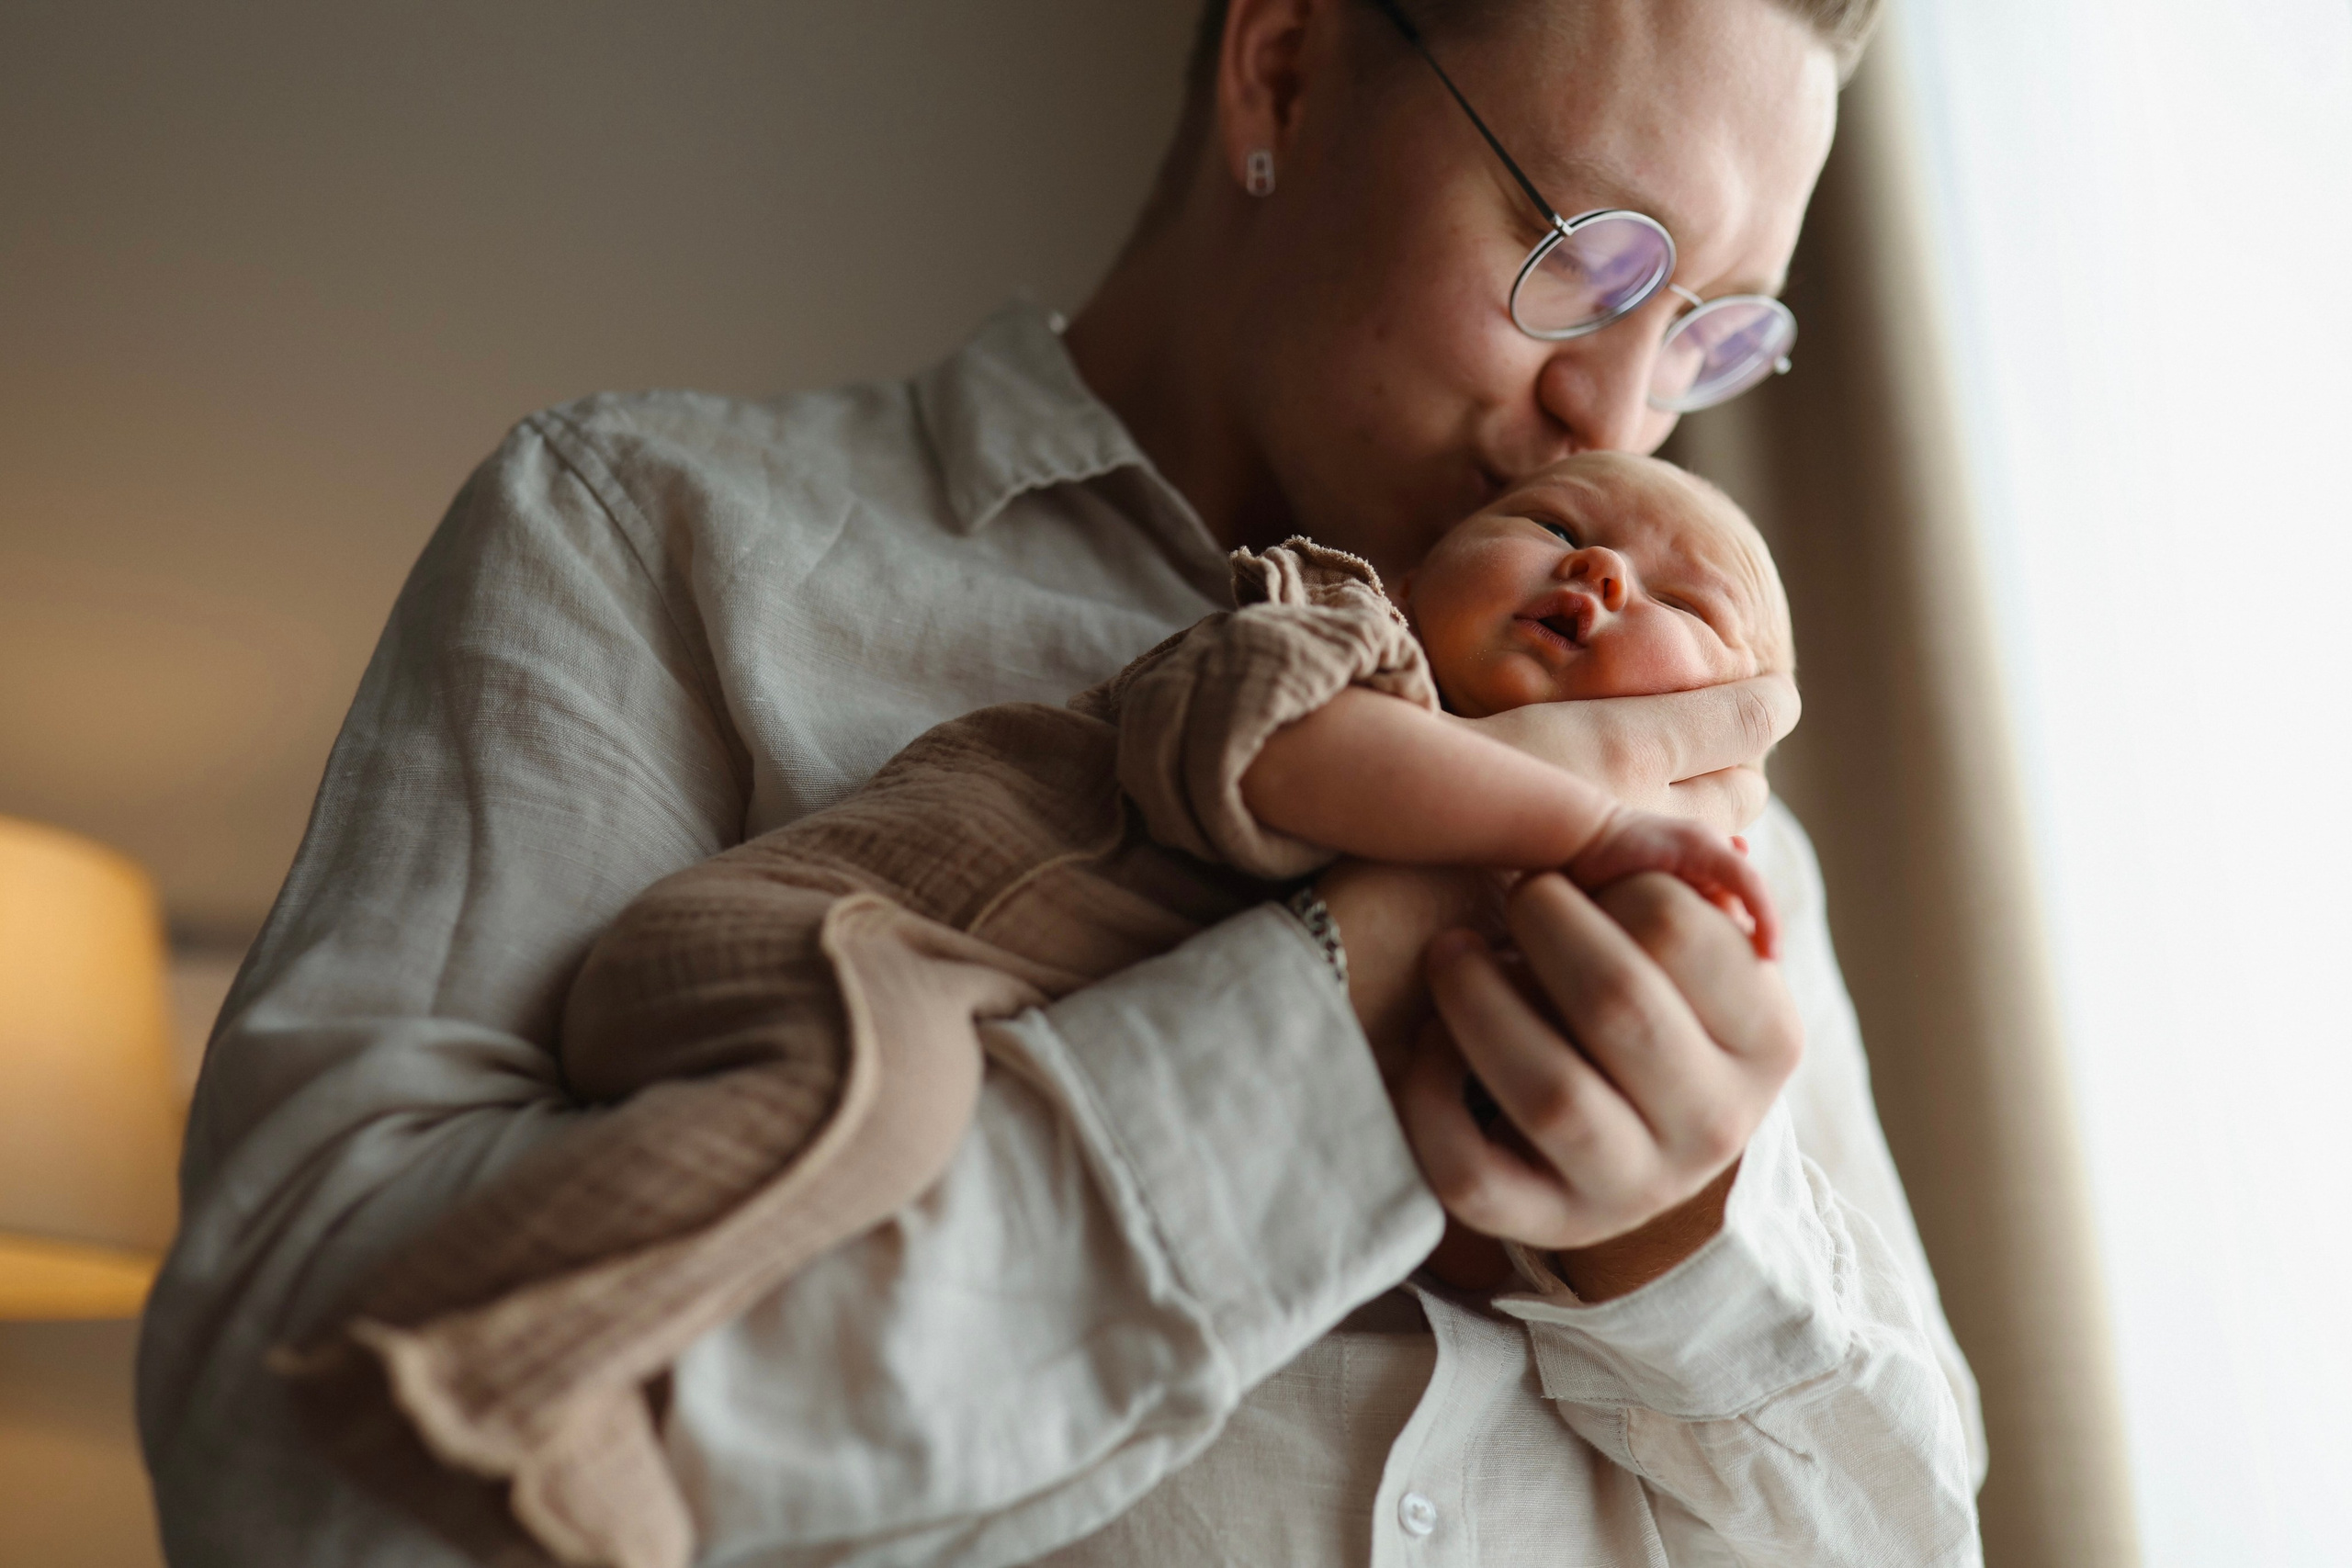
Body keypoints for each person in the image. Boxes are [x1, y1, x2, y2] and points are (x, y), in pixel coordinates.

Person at [139, 2, 1988, 1565]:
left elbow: (1911, 1525)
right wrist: (1342, 999)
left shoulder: (1713, 821)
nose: (1619, 412)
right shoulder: (652, 544)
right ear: (1277, 72)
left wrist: (1674, 1257)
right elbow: (291, 1465)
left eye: (1709, 330)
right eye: (1585, 255)